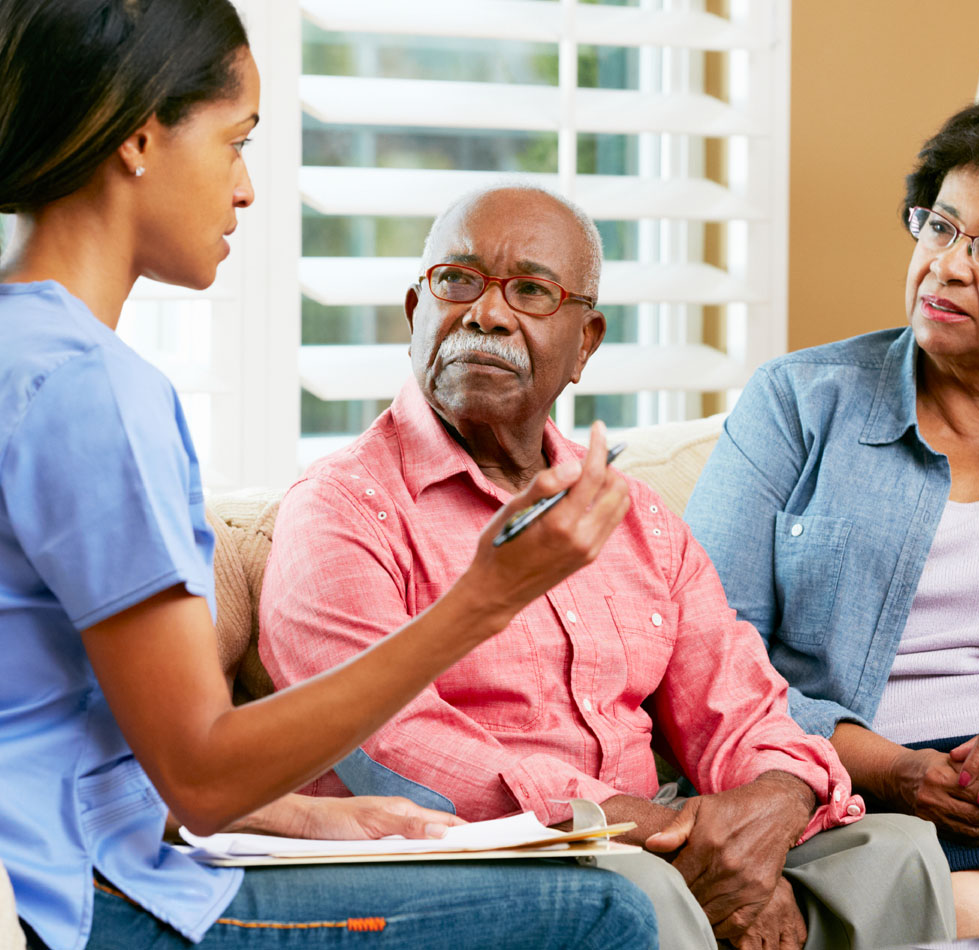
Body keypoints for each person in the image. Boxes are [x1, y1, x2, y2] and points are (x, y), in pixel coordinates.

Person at [0, 3, 661, 948]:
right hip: (80, 901)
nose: (245, 190)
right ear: (139, 137)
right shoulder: (93, 391)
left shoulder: (23, 351)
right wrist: (485, 598)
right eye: (236, 142)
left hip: (64, 851)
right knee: (602, 914)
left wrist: (304, 814)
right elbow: (201, 770)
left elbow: (62, 727)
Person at [259, 183, 958, 950]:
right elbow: (390, 747)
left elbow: (739, 704)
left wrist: (774, 805)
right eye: (457, 281)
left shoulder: (636, 517)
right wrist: (646, 833)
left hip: (647, 837)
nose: (486, 314)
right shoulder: (342, 508)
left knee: (894, 853)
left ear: (585, 342)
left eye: (531, 290)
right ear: (414, 312)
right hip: (470, 858)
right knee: (640, 889)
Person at [685, 93, 979, 938]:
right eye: (939, 226)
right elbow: (707, 657)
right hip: (873, 793)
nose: (947, 266)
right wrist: (893, 770)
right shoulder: (797, 403)